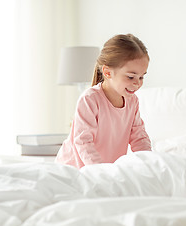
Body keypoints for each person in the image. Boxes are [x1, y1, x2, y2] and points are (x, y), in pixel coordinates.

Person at [56, 34, 152, 168]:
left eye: (141, 77)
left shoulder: (132, 101)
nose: (137, 83)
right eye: (131, 77)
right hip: (74, 169)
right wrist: (101, 171)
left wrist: (149, 164)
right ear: (107, 72)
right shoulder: (90, 99)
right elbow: (83, 142)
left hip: (106, 171)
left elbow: (139, 137)